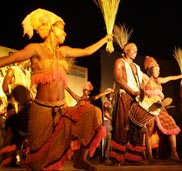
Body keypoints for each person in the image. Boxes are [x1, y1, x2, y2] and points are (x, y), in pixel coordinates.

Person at [0, 8, 112, 170]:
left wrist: (105, 39)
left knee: (93, 113)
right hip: (41, 112)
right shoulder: (36, 49)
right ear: (52, 28)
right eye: (63, 29)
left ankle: (80, 159)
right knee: (40, 162)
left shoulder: (63, 51)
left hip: (62, 111)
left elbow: (86, 51)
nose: (65, 33)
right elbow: (11, 58)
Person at [109, 42, 149, 165]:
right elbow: (119, 79)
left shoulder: (137, 66)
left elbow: (142, 81)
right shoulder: (120, 62)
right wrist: (132, 91)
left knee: (136, 126)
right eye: (133, 49)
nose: (135, 52)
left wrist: (141, 91)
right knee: (122, 125)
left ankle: (133, 157)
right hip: (125, 95)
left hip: (136, 98)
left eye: (136, 50)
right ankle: (117, 157)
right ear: (125, 50)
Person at [143, 56, 182, 161]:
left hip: (160, 109)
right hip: (149, 108)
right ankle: (150, 156)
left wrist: (180, 76)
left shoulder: (159, 80)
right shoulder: (146, 79)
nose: (158, 71)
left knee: (172, 127)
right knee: (149, 131)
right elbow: (142, 93)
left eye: (159, 70)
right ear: (150, 70)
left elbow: (169, 78)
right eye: (156, 69)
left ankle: (174, 154)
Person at [101, 89, 115, 163]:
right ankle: (104, 157)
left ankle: (106, 157)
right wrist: (113, 119)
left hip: (108, 123)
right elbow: (105, 113)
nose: (112, 94)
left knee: (108, 141)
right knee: (106, 141)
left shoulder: (110, 102)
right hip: (106, 123)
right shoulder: (106, 103)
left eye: (112, 93)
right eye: (111, 93)